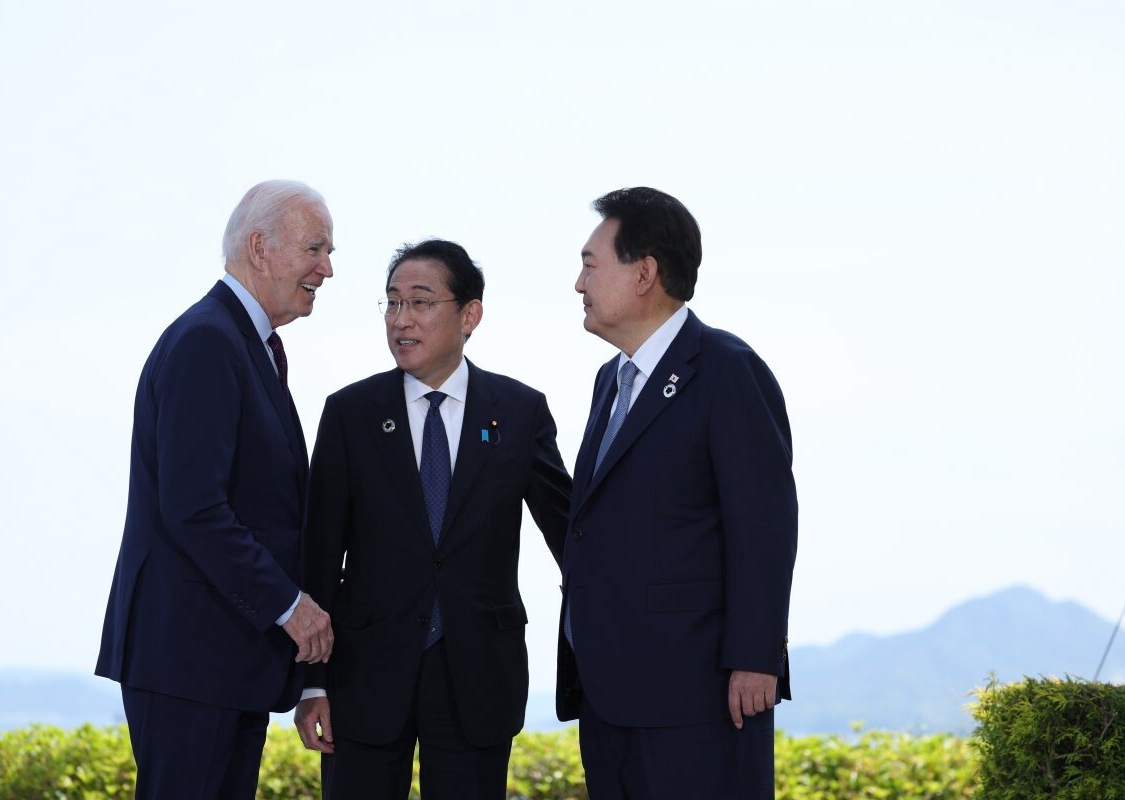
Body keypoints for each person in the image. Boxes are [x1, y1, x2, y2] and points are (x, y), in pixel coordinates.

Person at [295, 239, 571, 800]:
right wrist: (311, 683)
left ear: (470, 315)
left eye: (420, 302)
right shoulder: (350, 412)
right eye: (392, 302)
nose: (401, 320)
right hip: (364, 676)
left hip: (479, 673)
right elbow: (319, 554)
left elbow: (570, 534)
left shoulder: (520, 412)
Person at [95, 180, 337, 799]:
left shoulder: (244, 343)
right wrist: (290, 606)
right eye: (314, 249)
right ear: (259, 247)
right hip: (189, 663)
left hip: (224, 664)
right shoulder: (208, 341)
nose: (326, 270)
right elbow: (195, 508)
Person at [557, 187, 798, 799]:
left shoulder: (726, 368)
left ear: (644, 274)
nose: (578, 284)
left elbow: (764, 526)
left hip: (698, 694)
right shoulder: (610, 381)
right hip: (608, 695)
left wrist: (756, 658)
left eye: (590, 265)